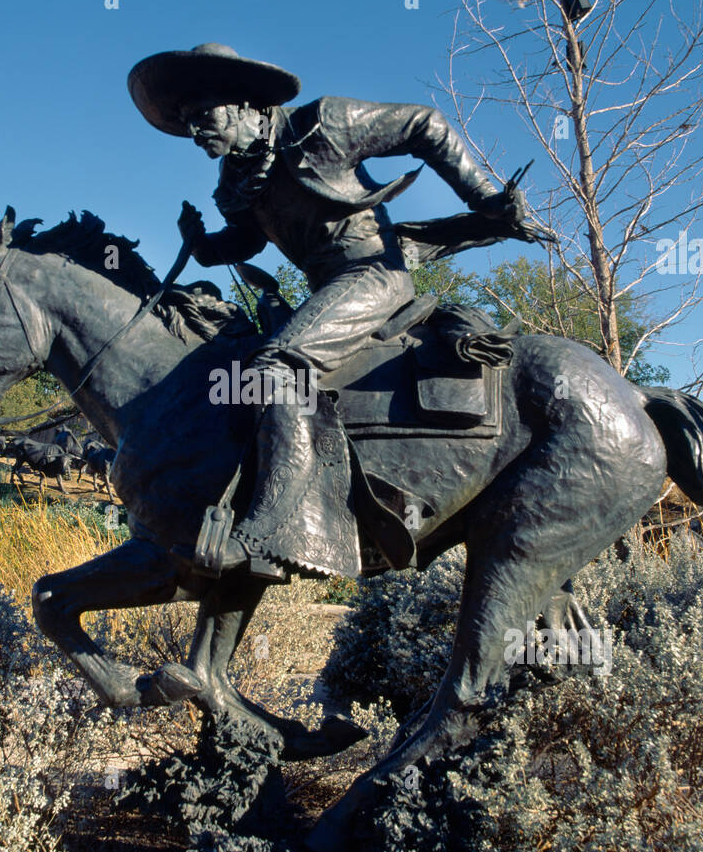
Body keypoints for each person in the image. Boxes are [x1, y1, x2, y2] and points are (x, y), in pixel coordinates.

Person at [128, 43, 538, 579]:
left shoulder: (324, 125)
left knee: (275, 369)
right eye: (186, 123)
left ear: (248, 104)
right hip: (325, 287)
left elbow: (425, 124)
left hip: (371, 273)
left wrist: (483, 197)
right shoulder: (235, 179)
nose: (196, 131)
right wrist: (201, 244)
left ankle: (263, 535)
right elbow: (245, 243)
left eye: (203, 115)